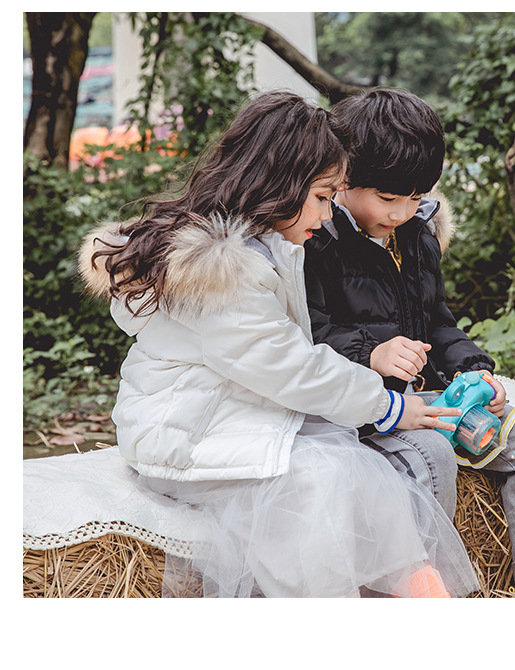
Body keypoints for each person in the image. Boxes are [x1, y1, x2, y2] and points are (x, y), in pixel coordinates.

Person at [78, 90, 479, 598]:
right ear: (280, 184)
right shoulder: (223, 268)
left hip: (236, 411)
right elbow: (288, 365)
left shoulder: (272, 242)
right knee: (326, 480)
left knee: (358, 470)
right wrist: (387, 405)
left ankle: (417, 588)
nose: (330, 213)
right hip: (186, 436)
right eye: (321, 196)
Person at [304, 88, 515, 598]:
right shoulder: (317, 240)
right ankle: (430, 590)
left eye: (414, 197)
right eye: (388, 199)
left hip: (431, 399)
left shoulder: (416, 235)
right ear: (343, 180)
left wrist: (473, 367)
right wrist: (373, 354)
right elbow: (310, 338)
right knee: (433, 455)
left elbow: (439, 322)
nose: (403, 211)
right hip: (365, 411)